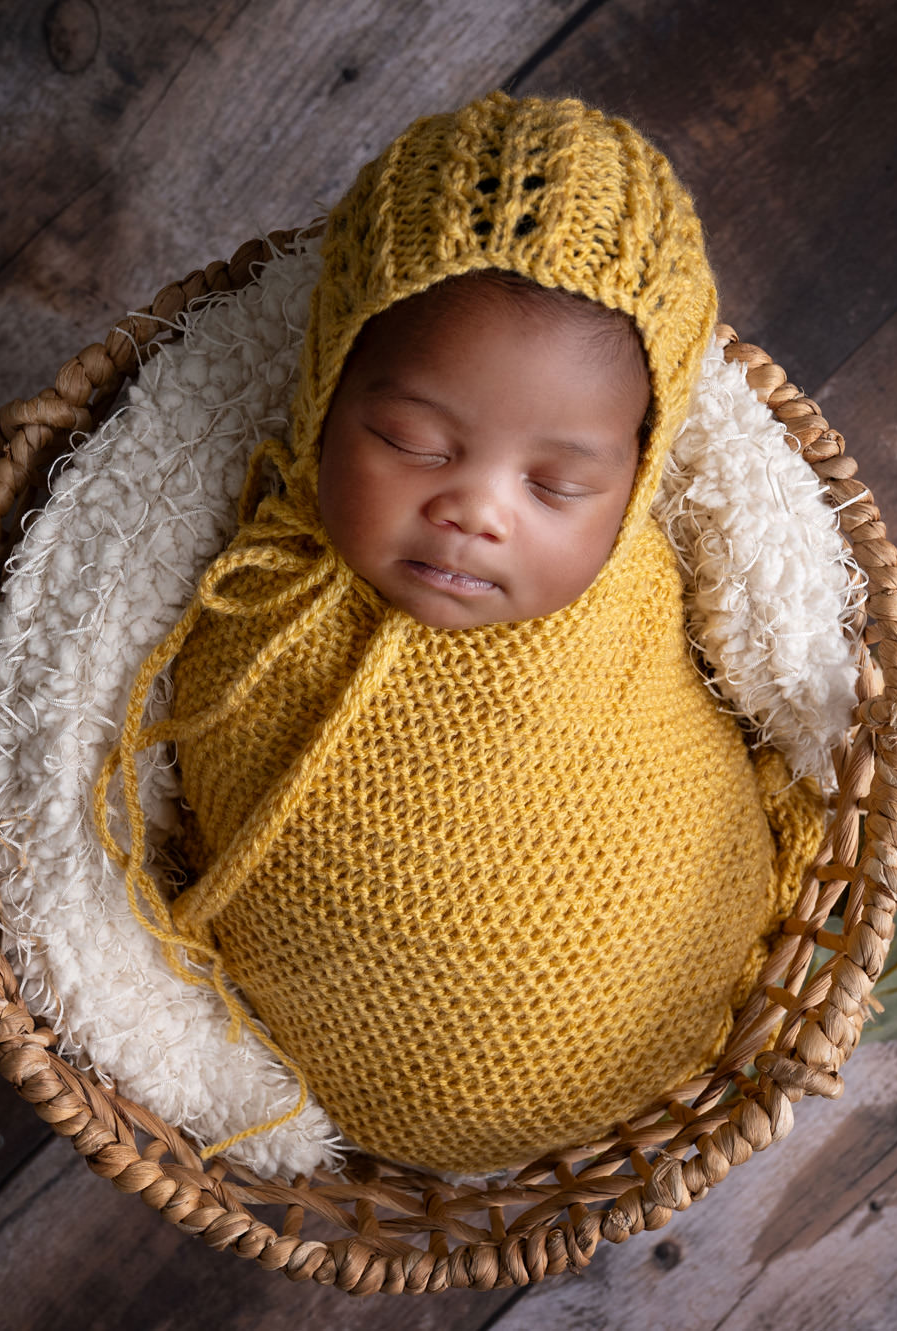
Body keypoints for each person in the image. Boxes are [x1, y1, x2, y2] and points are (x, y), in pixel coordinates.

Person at [97, 91, 824, 1176]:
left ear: (636, 473)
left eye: (557, 482)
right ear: (324, 391)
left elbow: (787, 675)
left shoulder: (643, 581)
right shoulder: (245, 600)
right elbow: (130, 810)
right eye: (411, 440)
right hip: (359, 1099)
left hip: (702, 993)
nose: (477, 510)